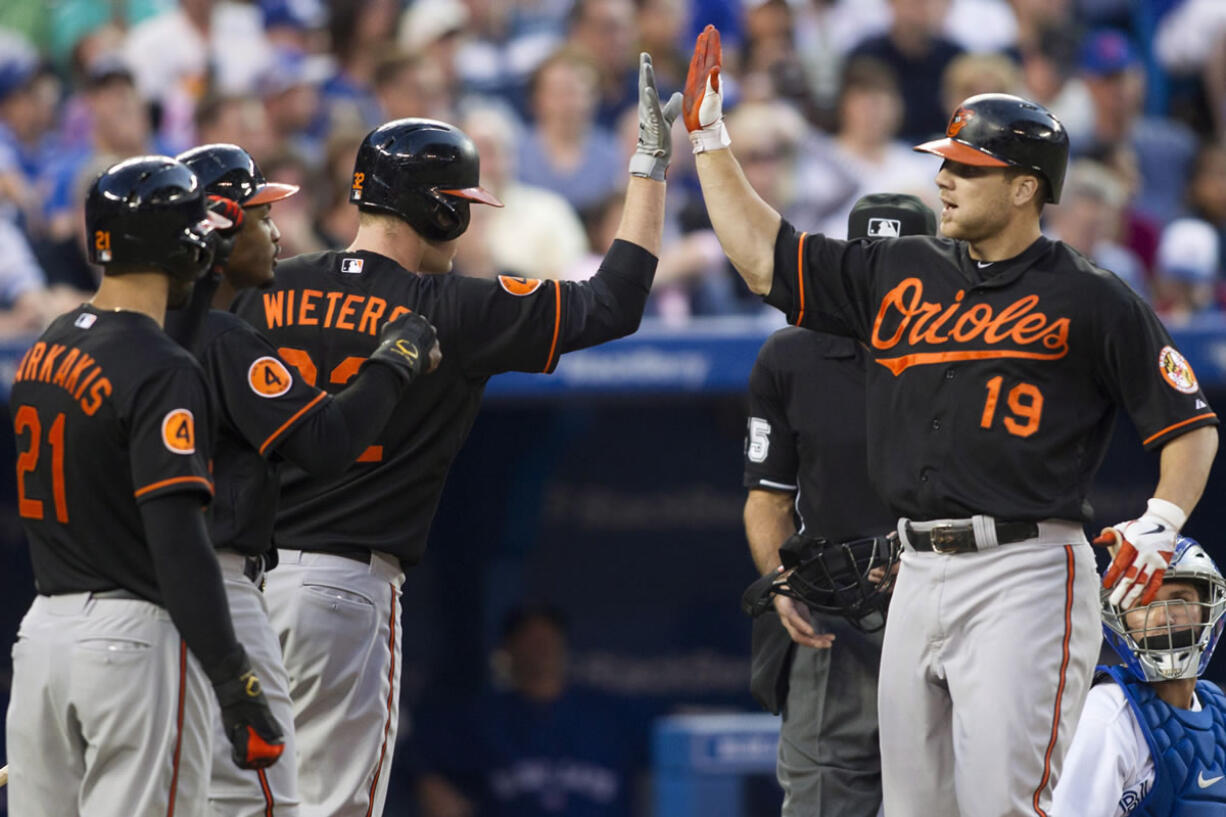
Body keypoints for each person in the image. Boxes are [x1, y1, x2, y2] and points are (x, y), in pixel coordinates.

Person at [679, 25, 1220, 816]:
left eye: (970, 167)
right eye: (945, 163)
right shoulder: (900, 268)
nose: (947, 178)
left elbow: (1190, 424)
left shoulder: (1091, 295)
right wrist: (710, 141)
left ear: (1027, 186)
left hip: (1026, 568)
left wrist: (1163, 518)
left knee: (1006, 804)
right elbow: (767, 257)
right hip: (917, 566)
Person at [232, 54, 680, 817]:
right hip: (344, 586)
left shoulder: (265, 289)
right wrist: (648, 164)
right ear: (439, 210)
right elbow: (617, 301)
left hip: (240, 587)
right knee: (334, 804)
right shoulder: (449, 307)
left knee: (243, 801)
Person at [5, 155, 284, 817]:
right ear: (182, 246)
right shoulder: (162, 371)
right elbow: (180, 544)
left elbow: (152, 349)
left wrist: (202, 261)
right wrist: (234, 677)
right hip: (130, 642)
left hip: (43, 639)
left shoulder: (51, 341)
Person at [172, 142, 442, 817]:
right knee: (264, 803)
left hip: (121, 593)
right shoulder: (223, 339)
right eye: (259, 216)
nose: (276, 233)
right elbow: (327, 443)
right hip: (218, 588)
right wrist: (397, 358)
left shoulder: (122, 339)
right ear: (218, 229)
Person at [744, 193, 935, 817]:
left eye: (900, 261)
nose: (884, 277)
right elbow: (767, 497)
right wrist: (783, 579)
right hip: (838, 624)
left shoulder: (977, 352)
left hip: (950, 612)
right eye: (869, 258)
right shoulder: (792, 355)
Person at [412, 604, 643, 817]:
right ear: (509, 648)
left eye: (548, 638)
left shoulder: (607, 715)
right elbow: (424, 767)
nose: (541, 648)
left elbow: (657, 774)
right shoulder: (482, 720)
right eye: (530, 639)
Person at [1052, 537, 1226, 816]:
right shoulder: (1105, 719)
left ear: (1209, 608)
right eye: (1142, 603)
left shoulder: (1219, 710)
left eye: (1179, 600)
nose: (1162, 618)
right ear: (1119, 619)